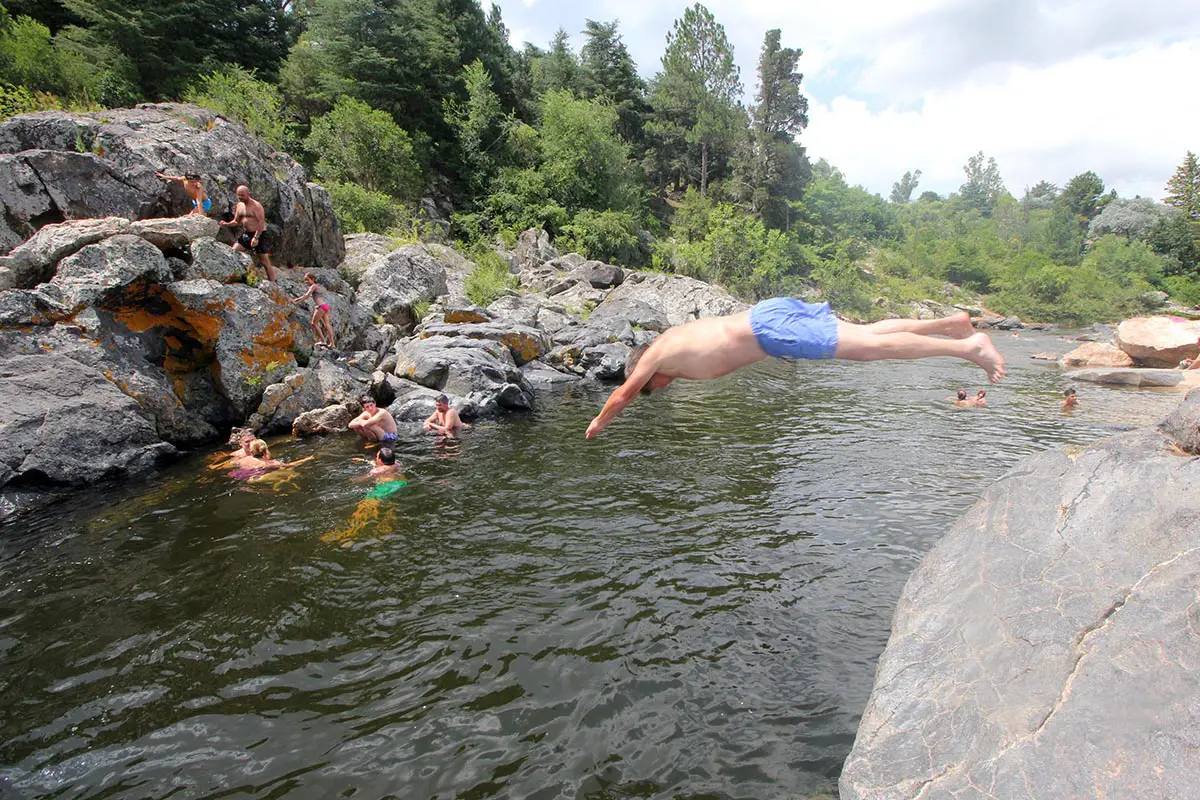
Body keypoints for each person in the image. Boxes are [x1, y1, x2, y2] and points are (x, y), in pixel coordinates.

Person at [585, 300, 1005, 439]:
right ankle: (950, 324)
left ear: (645, 372)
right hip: (770, 315)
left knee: (868, 350)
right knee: (867, 334)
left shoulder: (656, 355)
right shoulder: (674, 341)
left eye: (652, 387)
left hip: (770, 331)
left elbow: (622, 394)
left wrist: (598, 423)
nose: (659, 388)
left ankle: (968, 348)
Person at [219, 184, 275, 281]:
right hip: (247, 234)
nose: (240, 197)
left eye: (242, 195)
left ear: (248, 194)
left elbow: (261, 222)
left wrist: (256, 237)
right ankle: (235, 276)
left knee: (264, 261)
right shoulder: (239, 205)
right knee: (234, 251)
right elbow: (236, 221)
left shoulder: (256, 206)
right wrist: (226, 224)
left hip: (260, 234)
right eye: (238, 195)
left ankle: (273, 283)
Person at [292, 272, 336, 349]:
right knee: (327, 325)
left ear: (312, 279)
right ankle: (332, 343)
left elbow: (306, 295)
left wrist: (296, 301)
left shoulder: (313, 286)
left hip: (320, 307)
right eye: (305, 280)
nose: (306, 282)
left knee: (314, 323)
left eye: (307, 279)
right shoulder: (318, 286)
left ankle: (323, 341)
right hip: (325, 306)